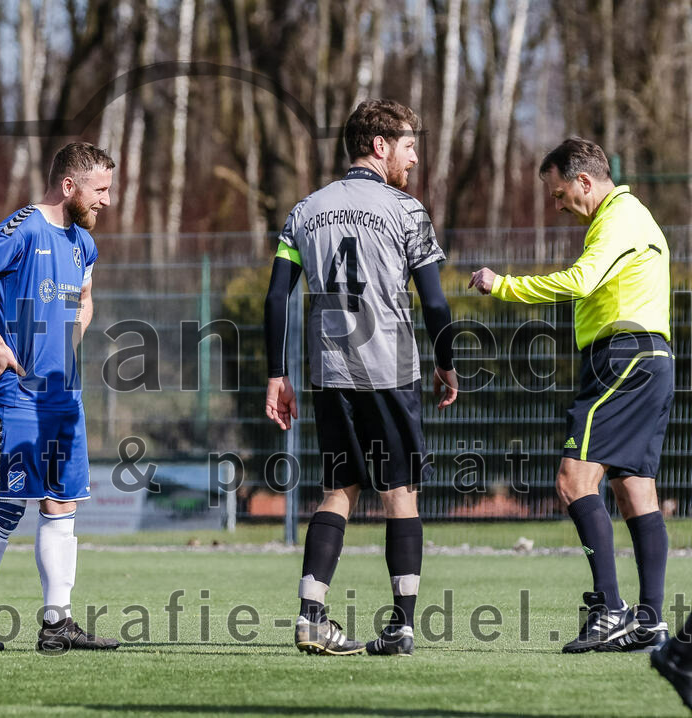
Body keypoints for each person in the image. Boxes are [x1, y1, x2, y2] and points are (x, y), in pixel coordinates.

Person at [264, 99, 458, 657]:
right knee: (401, 492)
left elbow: (277, 297)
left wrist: (277, 375)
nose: (414, 158)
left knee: (337, 491)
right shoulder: (406, 210)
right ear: (380, 146)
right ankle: (400, 625)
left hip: (329, 373)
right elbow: (437, 304)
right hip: (391, 370)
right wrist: (447, 362)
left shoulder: (305, 210)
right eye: (409, 145)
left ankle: (311, 616)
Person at [470, 137, 673, 654]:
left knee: (572, 479)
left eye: (559, 194)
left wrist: (505, 285)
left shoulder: (619, 217)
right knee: (635, 490)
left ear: (585, 181)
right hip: (652, 360)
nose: (557, 206)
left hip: (624, 358)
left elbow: (582, 281)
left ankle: (608, 608)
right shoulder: (631, 217)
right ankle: (649, 619)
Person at [0, 142, 119, 652]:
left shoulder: (83, 245)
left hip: (62, 400)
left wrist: (67, 345)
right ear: (70, 186)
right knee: (5, 506)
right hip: (16, 395)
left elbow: (85, 301)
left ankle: (56, 623)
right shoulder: (24, 228)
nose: (106, 201)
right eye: (100, 190)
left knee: (62, 503)